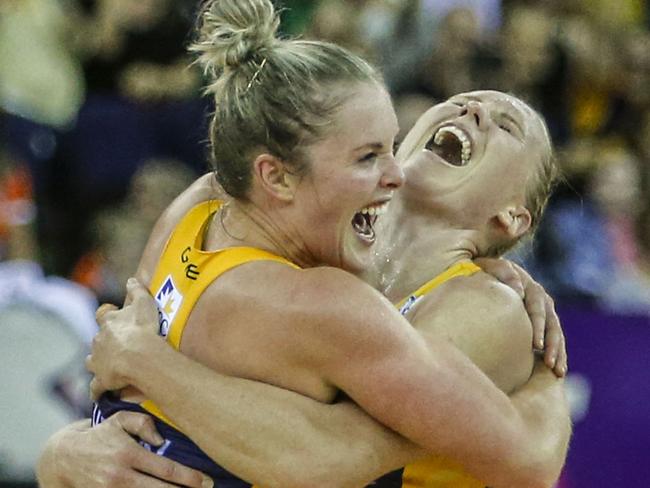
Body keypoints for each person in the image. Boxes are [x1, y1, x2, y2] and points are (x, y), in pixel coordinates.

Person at [38, 1, 568, 487]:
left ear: (514, 215)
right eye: (368, 154)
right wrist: (66, 451)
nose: (472, 109)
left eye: (507, 126)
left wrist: (547, 375)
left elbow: (344, 455)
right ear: (278, 177)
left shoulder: (481, 306)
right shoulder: (304, 267)